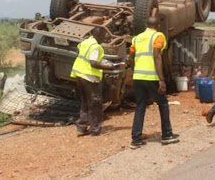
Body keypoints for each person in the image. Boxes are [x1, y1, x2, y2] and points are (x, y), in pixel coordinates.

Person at [129, 17, 179, 149]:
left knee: (140, 106)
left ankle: (136, 139)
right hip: (152, 78)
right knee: (163, 104)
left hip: (138, 77)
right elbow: (157, 56)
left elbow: (131, 57)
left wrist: (135, 71)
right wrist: (161, 80)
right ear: (157, 25)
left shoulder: (136, 38)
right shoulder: (158, 36)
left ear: (146, 24)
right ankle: (167, 135)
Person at [70, 27, 121, 136]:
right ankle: (95, 128)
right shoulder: (96, 47)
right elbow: (93, 63)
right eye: (104, 36)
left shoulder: (86, 42)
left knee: (85, 102)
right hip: (89, 76)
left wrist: (102, 62)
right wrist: (110, 67)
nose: (104, 38)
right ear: (99, 35)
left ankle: (82, 127)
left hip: (79, 74)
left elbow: (84, 54)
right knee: (95, 103)